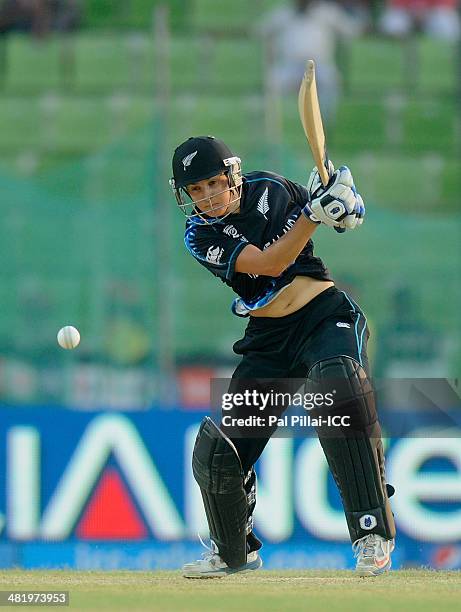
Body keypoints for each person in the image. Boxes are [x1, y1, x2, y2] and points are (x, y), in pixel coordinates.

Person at [170, 136, 396, 578]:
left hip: (324, 317)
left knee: (339, 390)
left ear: (233, 174)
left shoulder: (271, 187)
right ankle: (234, 553)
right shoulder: (200, 234)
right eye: (195, 191)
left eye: (214, 183)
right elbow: (271, 263)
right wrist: (315, 213)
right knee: (219, 452)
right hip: (268, 339)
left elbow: (343, 217)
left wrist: (342, 203)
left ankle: (372, 535)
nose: (208, 198)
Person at [379, 0, 460, 41]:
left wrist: (424, 12)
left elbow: (446, 5)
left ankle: (443, 58)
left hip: (433, 13)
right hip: (405, 12)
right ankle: (395, 56)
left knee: (446, 22)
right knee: (392, 23)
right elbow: (395, 4)